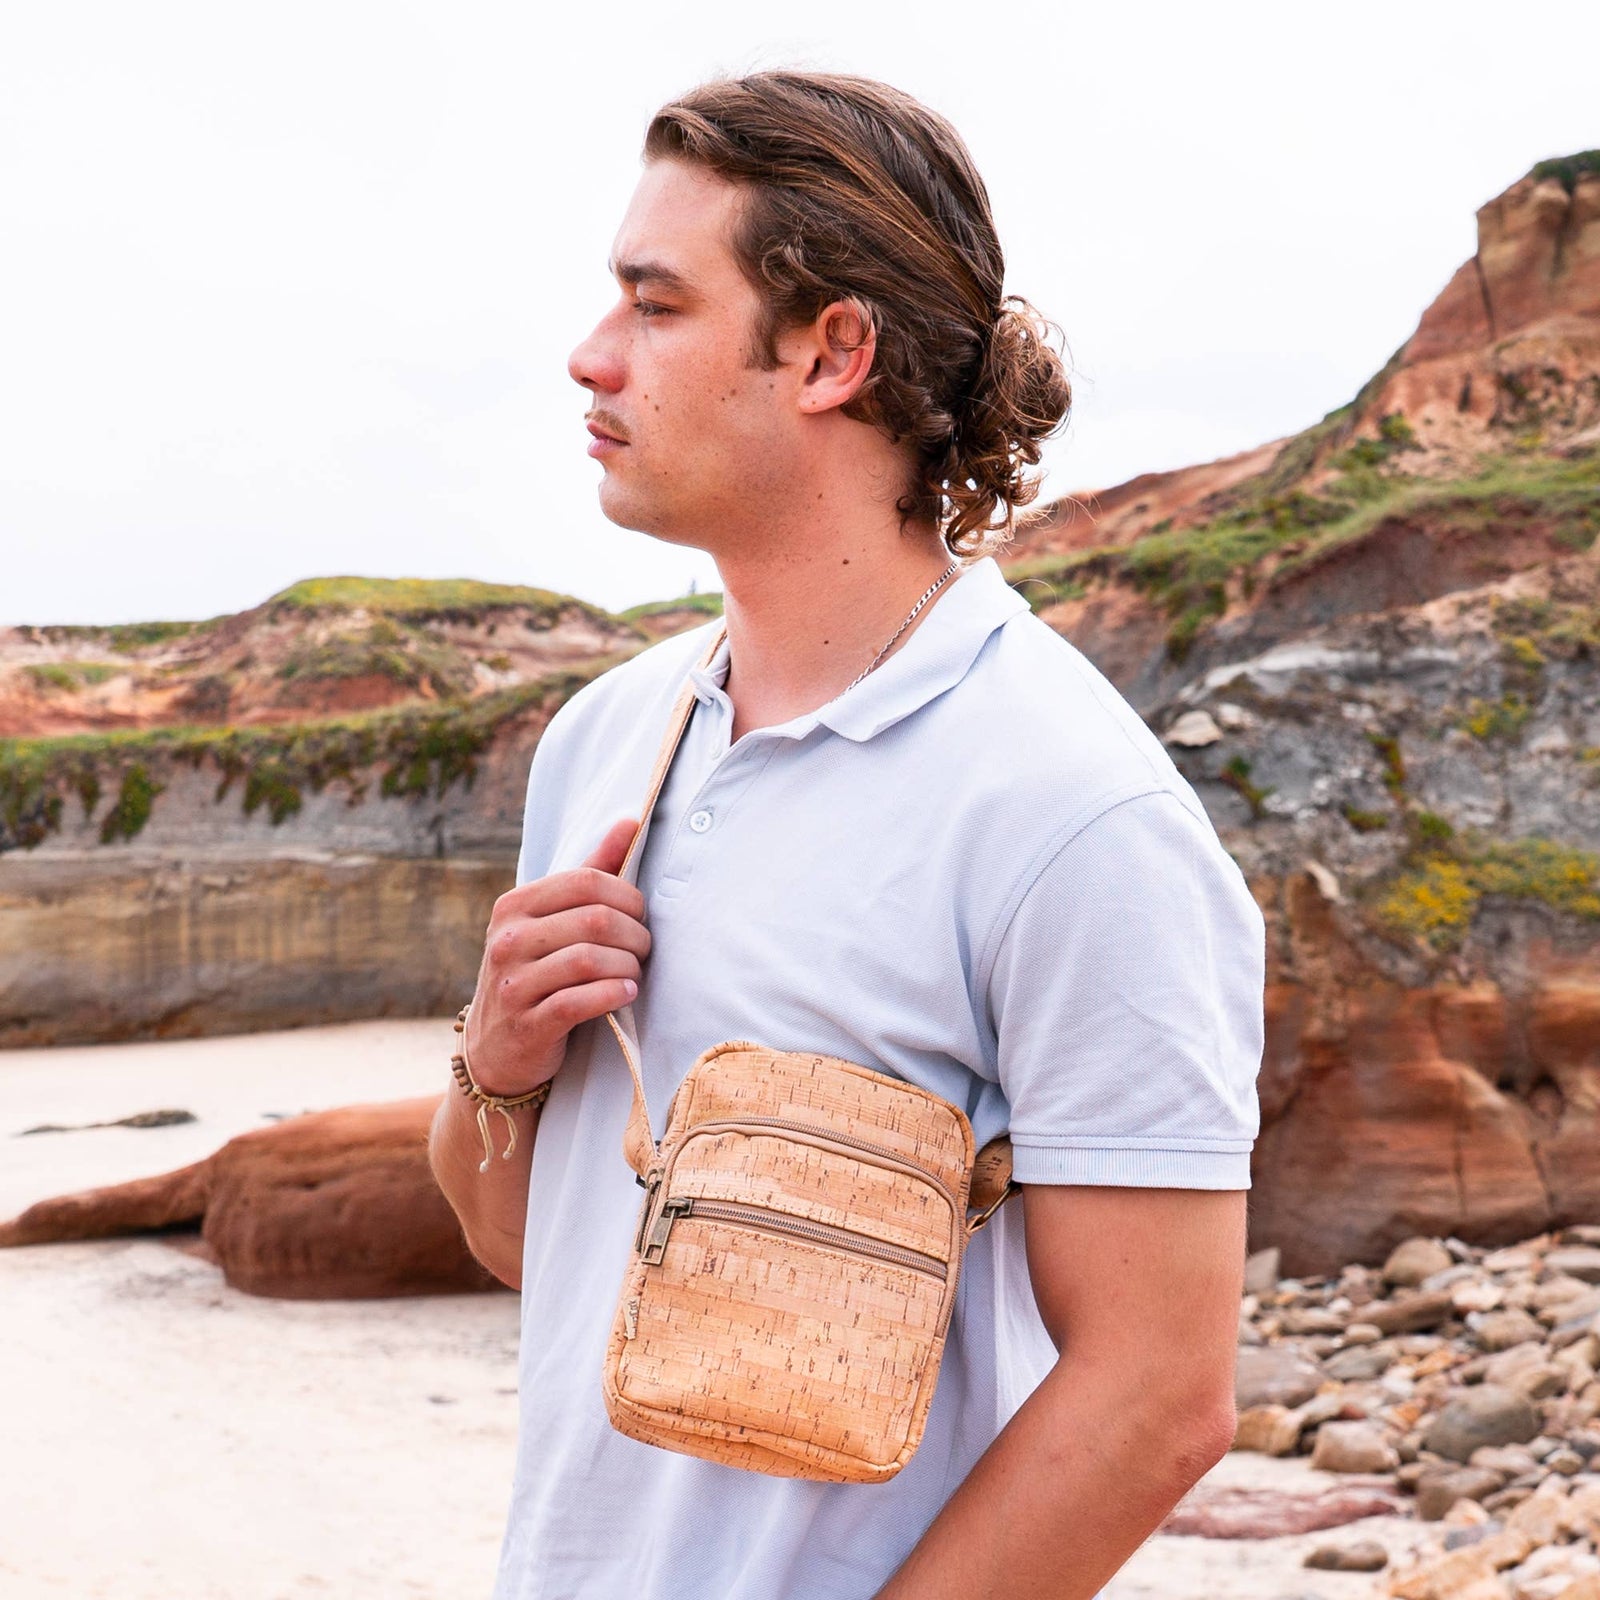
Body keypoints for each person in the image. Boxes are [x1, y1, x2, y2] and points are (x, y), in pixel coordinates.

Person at [429, 70, 1264, 1600]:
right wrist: (496, 1056)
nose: (589, 354)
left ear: (833, 352)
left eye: (656, 305)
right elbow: (528, 1255)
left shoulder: (1076, 812)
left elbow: (1159, 1396)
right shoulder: (605, 742)